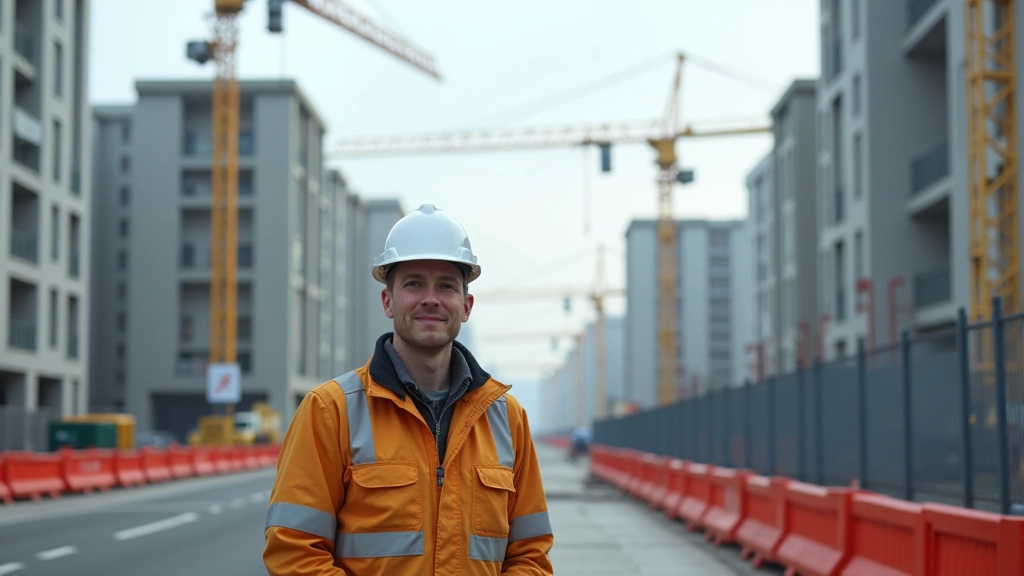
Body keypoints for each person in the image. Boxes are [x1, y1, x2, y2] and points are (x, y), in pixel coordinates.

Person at [264, 204, 554, 575]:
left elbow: (531, 556)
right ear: (388, 301)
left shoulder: (507, 418)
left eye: (446, 285)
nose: (430, 298)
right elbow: (294, 554)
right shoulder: (330, 412)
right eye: (414, 283)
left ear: (465, 306)